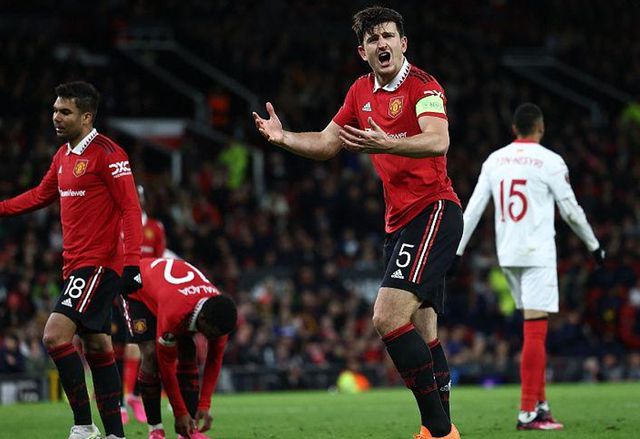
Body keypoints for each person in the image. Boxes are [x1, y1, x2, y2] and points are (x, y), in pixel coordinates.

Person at [253, 6, 461, 439]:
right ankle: (440, 431)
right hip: (397, 224)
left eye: (388, 36)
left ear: (403, 43)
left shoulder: (424, 87)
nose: (382, 44)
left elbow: (438, 139)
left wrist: (387, 143)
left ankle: (439, 431)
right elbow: (327, 143)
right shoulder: (360, 91)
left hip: (433, 210)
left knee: (386, 317)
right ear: (362, 52)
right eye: (372, 39)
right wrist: (284, 137)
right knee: (424, 331)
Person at [0, 81, 143, 439]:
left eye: (65, 111)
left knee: (54, 336)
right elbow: (40, 195)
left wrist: (133, 263)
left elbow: (130, 208)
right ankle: (115, 434)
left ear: (87, 116)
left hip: (99, 264)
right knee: (97, 345)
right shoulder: (63, 156)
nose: (56, 117)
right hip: (74, 265)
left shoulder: (109, 153)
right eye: (55, 110)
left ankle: (83, 425)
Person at [454, 103, 605, 430]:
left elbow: (474, 208)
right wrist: (594, 245)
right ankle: (527, 413)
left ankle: (541, 405)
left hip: (508, 254)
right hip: (537, 254)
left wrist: (457, 251)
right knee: (536, 330)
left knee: (531, 326)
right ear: (541, 128)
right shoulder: (550, 161)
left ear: (514, 129)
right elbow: (570, 210)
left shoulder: (495, 160)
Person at [125, 257, 237, 439]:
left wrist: (204, 404)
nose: (212, 339)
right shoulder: (175, 315)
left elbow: (214, 359)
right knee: (151, 355)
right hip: (138, 288)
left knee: (189, 350)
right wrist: (179, 413)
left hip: (171, 293)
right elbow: (167, 367)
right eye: (211, 334)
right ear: (202, 319)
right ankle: (155, 430)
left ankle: (190, 431)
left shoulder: (219, 317)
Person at [113, 185, 167, 425]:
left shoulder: (155, 228)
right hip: (118, 292)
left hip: (145, 295)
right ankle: (122, 402)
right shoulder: (117, 225)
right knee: (117, 348)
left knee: (140, 346)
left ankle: (132, 396)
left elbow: (160, 261)